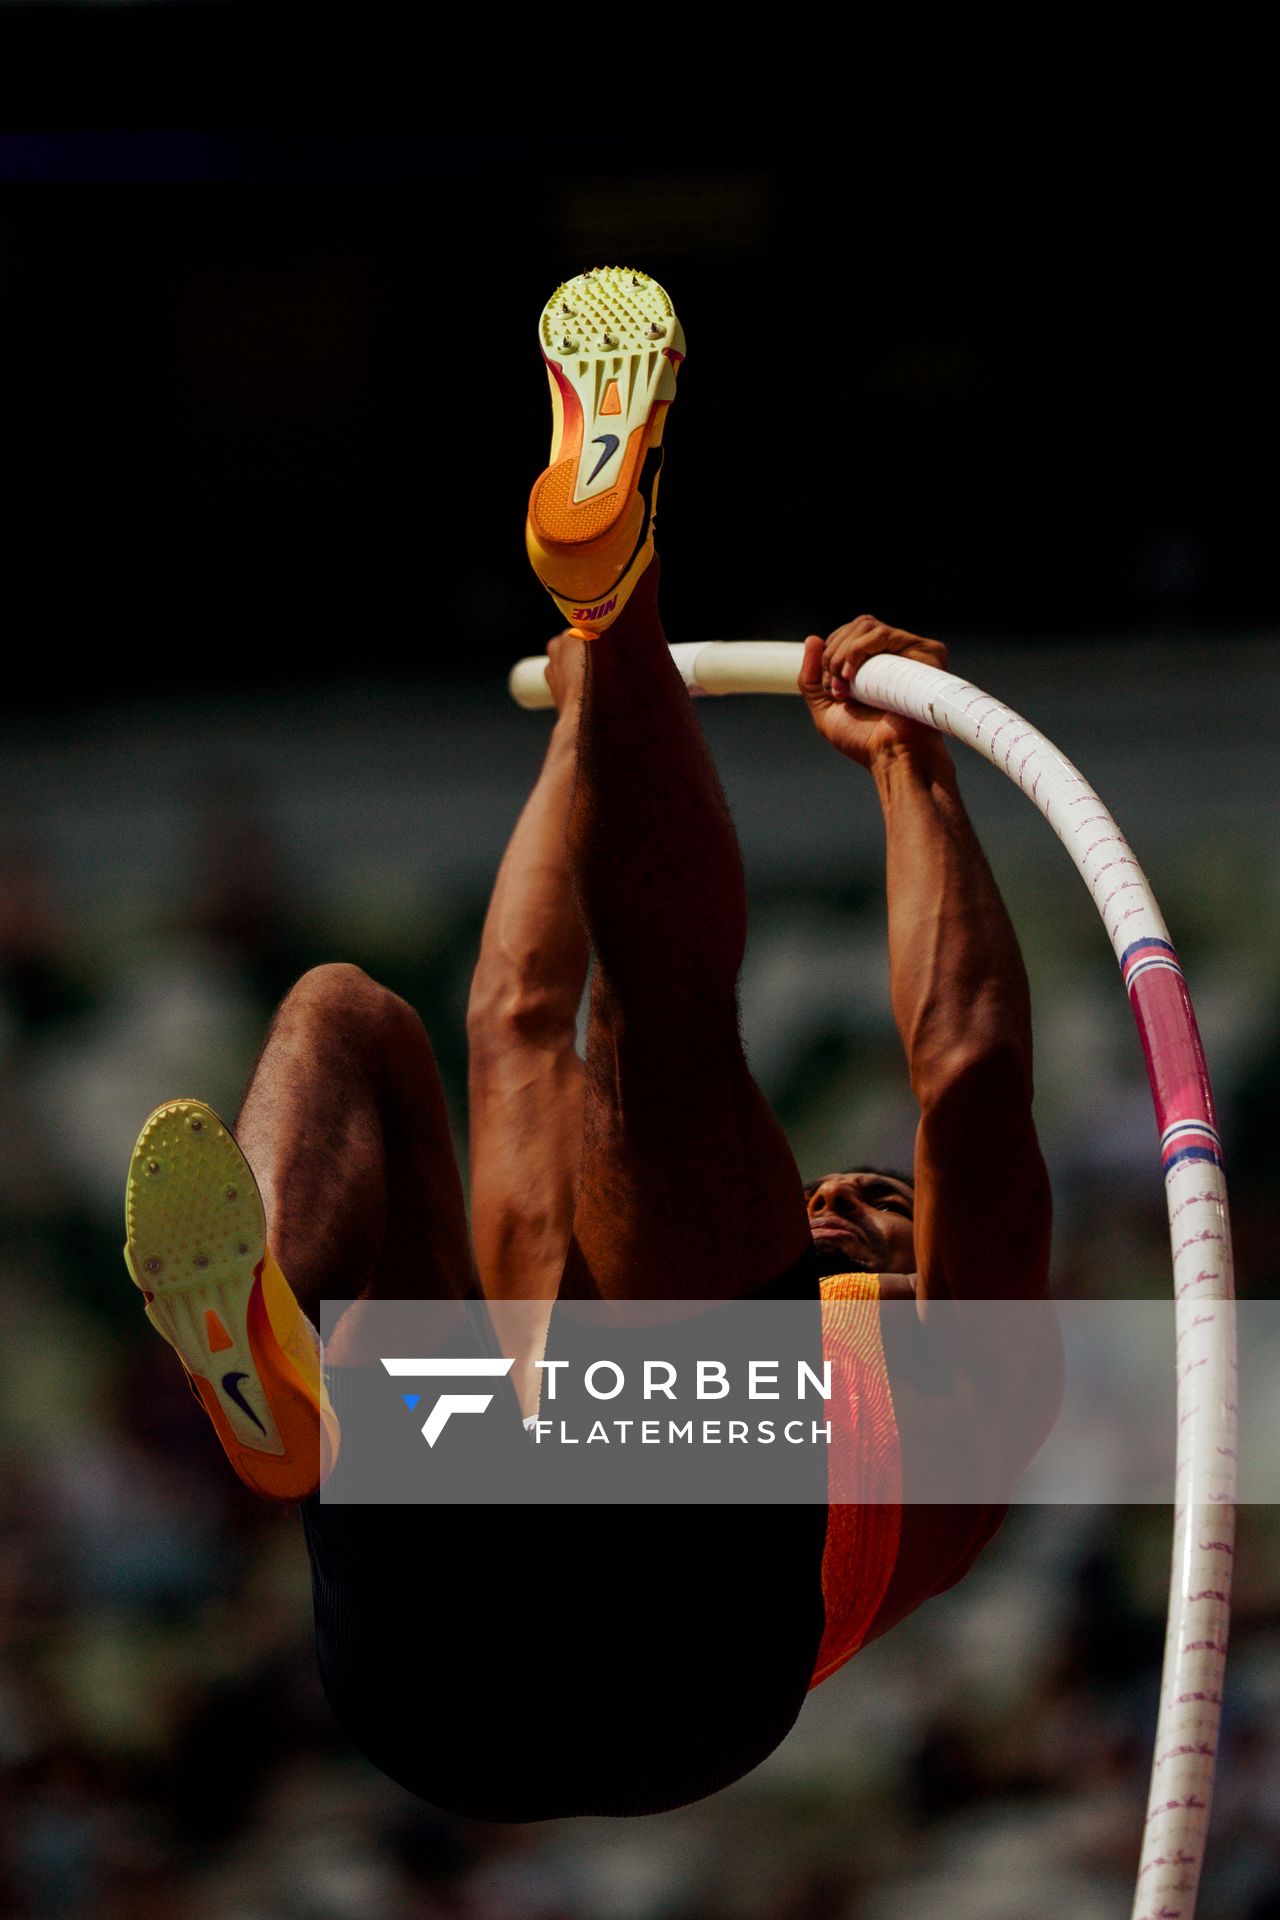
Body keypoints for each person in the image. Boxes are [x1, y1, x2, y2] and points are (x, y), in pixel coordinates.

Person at [122, 266, 1055, 1820]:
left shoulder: (973, 1394)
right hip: (440, 1597)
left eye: (874, 1206)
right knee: (353, 1020)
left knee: (653, 1059)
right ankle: (271, 1352)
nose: (834, 1202)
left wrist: (914, 771)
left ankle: (615, 588)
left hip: (673, 1654)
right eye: (845, 1190)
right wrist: (594, 712)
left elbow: (962, 1068)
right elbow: (509, 1009)